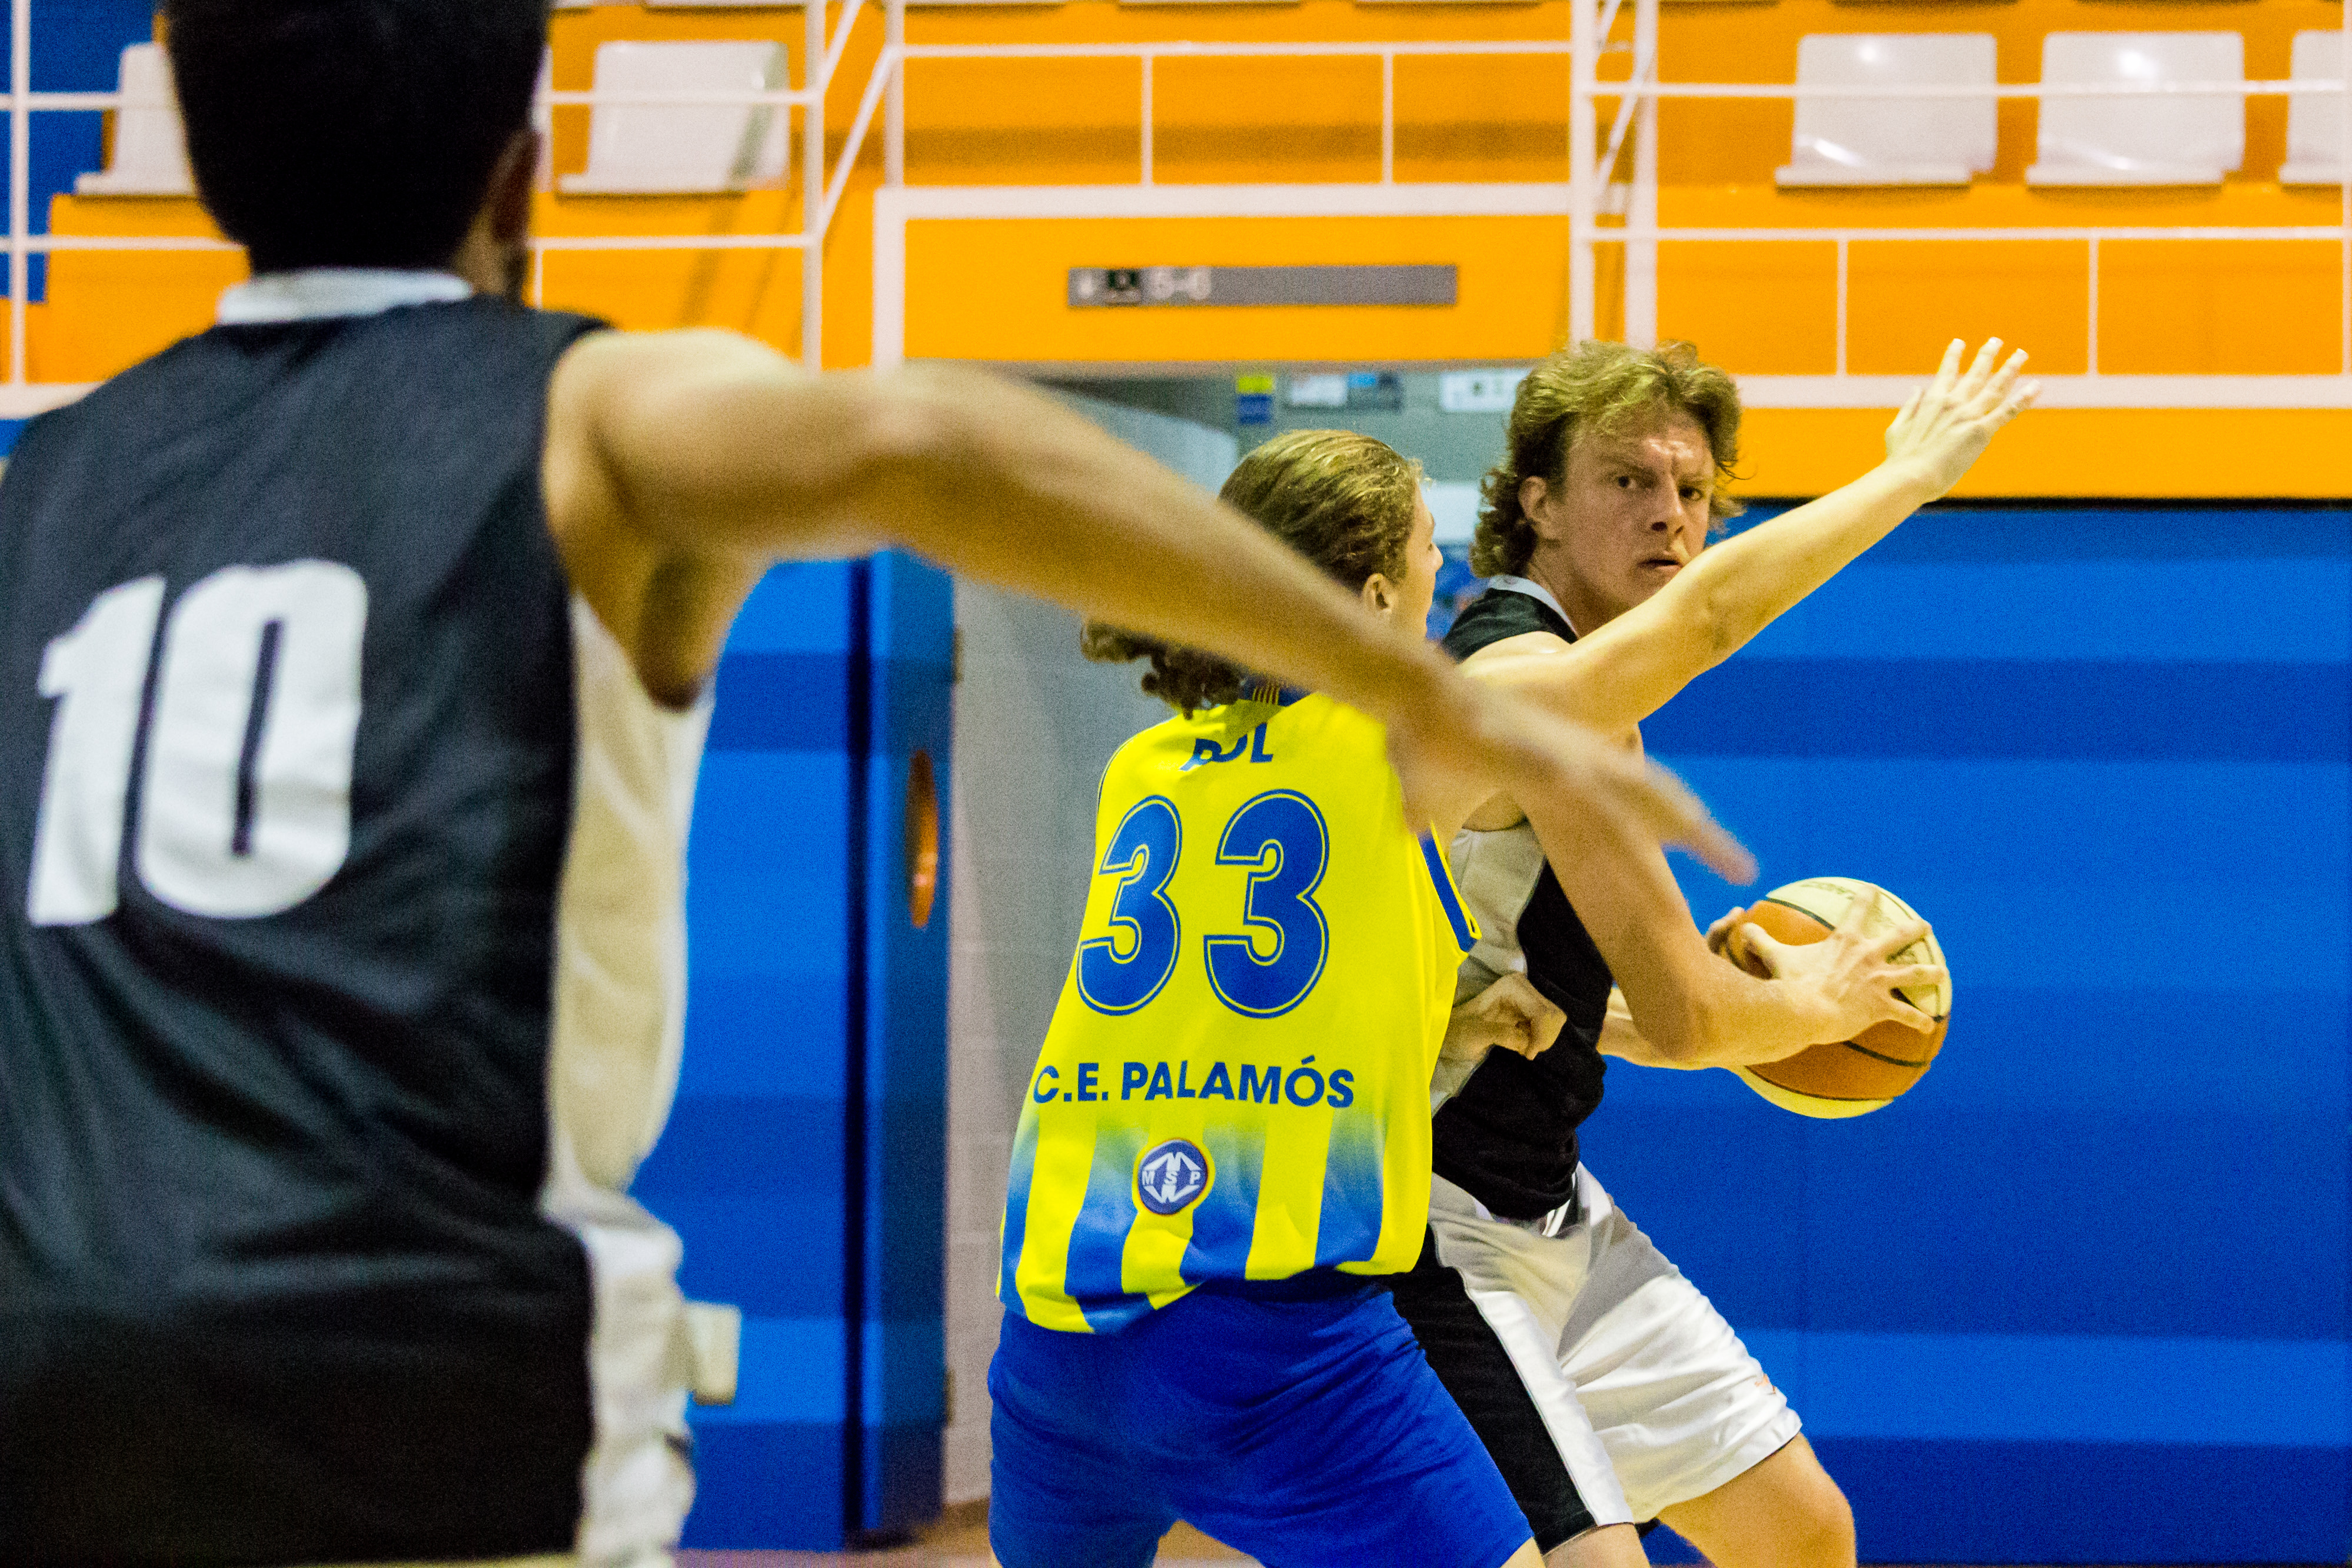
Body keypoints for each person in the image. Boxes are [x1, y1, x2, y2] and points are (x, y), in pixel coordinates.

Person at [0, 5, 1738, 1566]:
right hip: (427, 1358)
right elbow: (922, 435)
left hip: (48, 1362)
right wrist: (1411, 686)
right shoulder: (581, 413)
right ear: (524, 177)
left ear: (195, 152)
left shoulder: (48, 480)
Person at [980, 376, 2012, 1568]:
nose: (1445, 578)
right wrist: (1907, 476)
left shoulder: (1147, 766)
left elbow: (1224, 997)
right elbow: (1705, 619)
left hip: (1055, 1331)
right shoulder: (1406, 736)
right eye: (1428, 552)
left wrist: (1455, 1011)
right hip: (1273, 1330)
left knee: (1799, 1529)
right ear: (1378, 596)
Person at [1388, 337, 2034, 1568]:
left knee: (1801, 1533)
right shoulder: (1527, 674)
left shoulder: (1568, 687)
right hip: (1438, 1222)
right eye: (1628, 480)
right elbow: (1691, 1019)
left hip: (1547, 1203)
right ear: (1537, 502)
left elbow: (1578, 1000)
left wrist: (1732, 1003)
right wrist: (1819, 1001)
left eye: (1691, 489)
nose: (1669, 514)